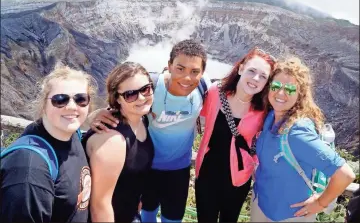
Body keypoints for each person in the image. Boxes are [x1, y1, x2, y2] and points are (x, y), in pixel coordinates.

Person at [87, 39, 212, 222]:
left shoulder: (204, 87)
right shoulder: (151, 87)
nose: (187, 78)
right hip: (147, 168)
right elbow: (125, 103)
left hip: (179, 170)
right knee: (147, 215)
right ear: (169, 66)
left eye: (194, 71)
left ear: (202, 73)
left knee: (173, 218)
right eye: (180, 68)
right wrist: (94, 115)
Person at [251, 57, 356, 222]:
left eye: (290, 89)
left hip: (289, 215)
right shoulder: (272, 117)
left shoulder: (297, 134)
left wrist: (321, 203)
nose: (280, 93)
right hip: (262, 203)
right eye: (276, 86)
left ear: (300, 94)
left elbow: (345, 175)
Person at [1, 64, 97, 222]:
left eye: (81, 99)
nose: (72, 107)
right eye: (60, 100)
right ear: (43, 104)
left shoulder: (72, 135)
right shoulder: (30, 170)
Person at [195, 47, 276, 222]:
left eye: (263, 76)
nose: (256, 79)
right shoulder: (216, 93)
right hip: (207, 173)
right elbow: (192, 112)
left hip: (238, 178)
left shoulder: (264, 110)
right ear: (240, 69)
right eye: (252, 71)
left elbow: (265, 142)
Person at [82, 62, 155, 223]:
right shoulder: (112, 141)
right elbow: (99, 205)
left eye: (145, 89)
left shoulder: (141, 119)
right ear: (117, 99)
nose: (142, 97)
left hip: (129, 213)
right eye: (130, 94)